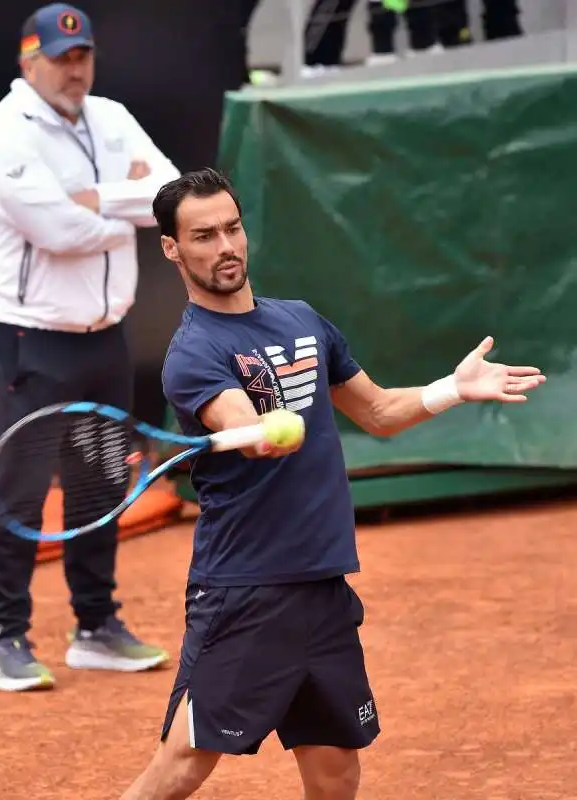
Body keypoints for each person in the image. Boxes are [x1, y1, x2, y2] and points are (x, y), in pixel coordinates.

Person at [118, 167, 545, 798]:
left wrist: (452, 389)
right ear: (172, 248)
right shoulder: (194, 351)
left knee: (335, 769)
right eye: (204, 236)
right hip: (248, 588)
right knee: (185, 763)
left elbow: (377, 413)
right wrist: (262, 431)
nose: (226, 247)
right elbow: (241, 423)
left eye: (233, 228)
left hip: (321, 585)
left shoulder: (301, 320)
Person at [0, 2, 180, 692]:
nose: (74, 69)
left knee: (99, 482)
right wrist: (126, 210)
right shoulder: (2, 135)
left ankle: (95, 627)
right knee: (21, 491)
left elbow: (170, 194)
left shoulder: (112, 118)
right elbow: (55, 232)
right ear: (28, 62)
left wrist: (95, 198)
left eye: (82, 55)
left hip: (102, 340)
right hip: (30, 342)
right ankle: (4, 638)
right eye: (60, 59)